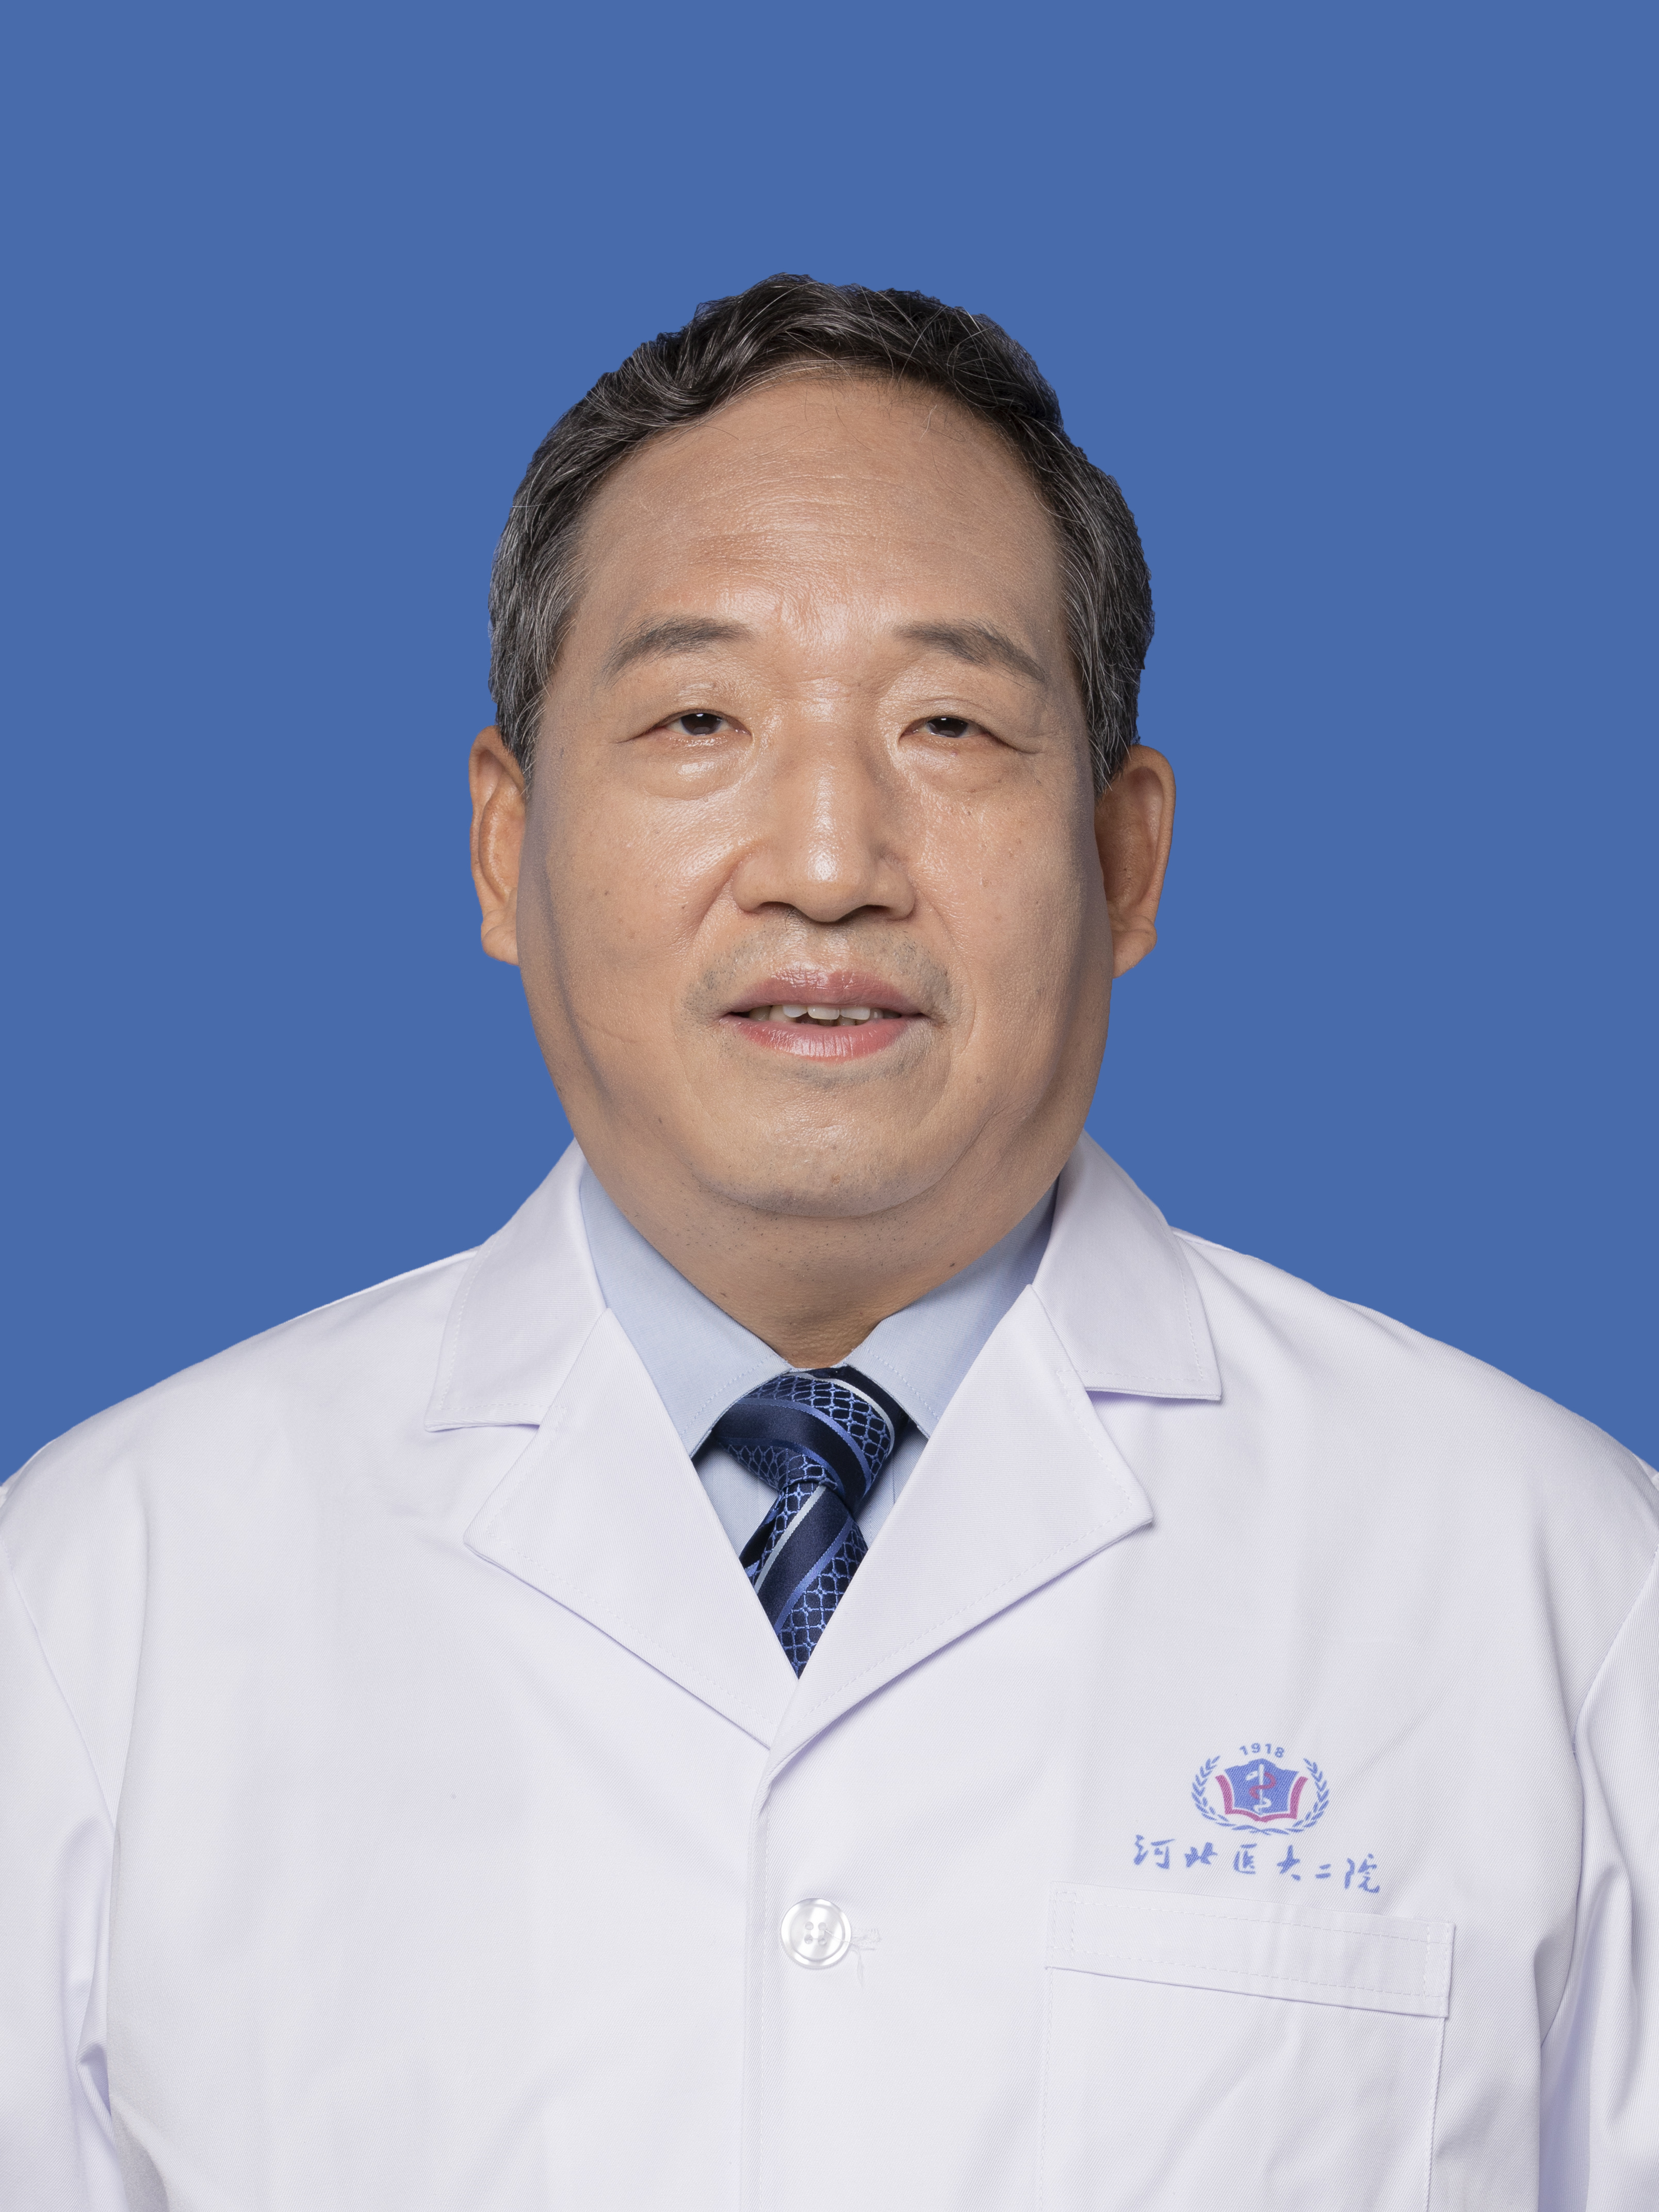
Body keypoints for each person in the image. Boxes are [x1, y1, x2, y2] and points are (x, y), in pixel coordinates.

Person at [1, 275, 1653, 2212]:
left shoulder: (1553, 1584)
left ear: (1125, 857)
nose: (825, 862)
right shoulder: (103, 1601)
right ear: (503, 847)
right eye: (699, 718)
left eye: (948, 724)